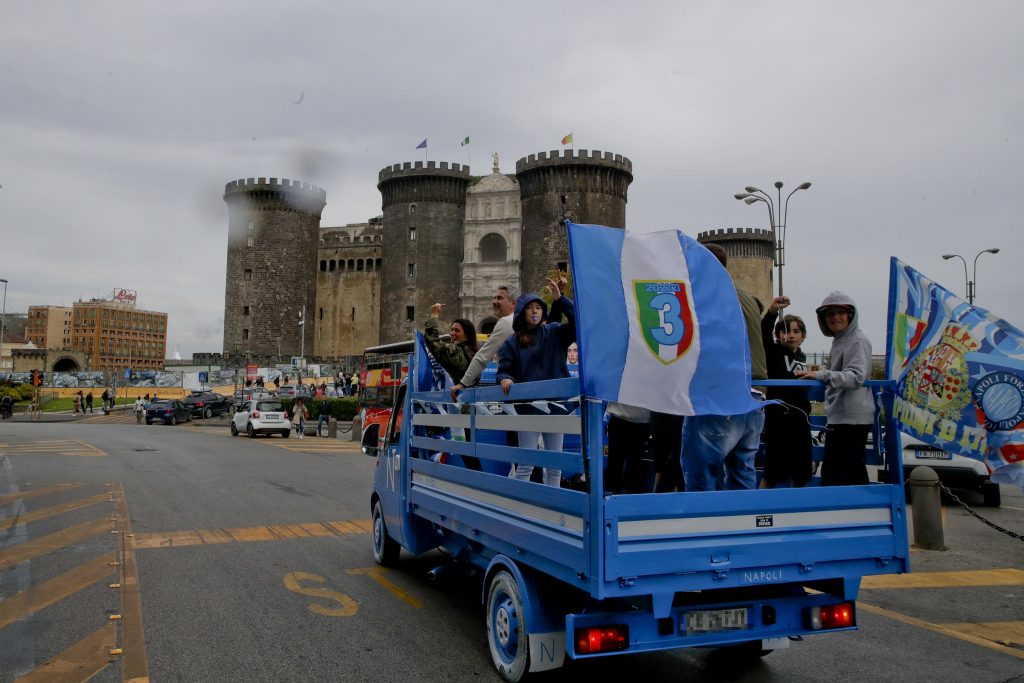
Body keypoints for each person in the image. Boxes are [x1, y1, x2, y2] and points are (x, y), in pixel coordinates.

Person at [681, 244, 767, 492]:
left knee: (701, 476)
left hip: (720, 396)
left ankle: (703, 528)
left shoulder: (707, 294)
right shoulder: (745, 297)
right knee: (742, 474)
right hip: (755, 395)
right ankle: (741, 527)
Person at [496, 279, 576, 487]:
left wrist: (560, 299)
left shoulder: (555, 332)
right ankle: (520, 508)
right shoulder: (511, 342)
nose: (535, 311)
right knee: (526, 464)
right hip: (528, 409)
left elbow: (580, 323)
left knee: (554, 465)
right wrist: (506, 378)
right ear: (522, 312)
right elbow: (505, 369)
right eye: (530, 307)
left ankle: (553, 508)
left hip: (555, 407)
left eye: (539, 307)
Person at [795, 292, 874, 486]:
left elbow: (855, 377)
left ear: (850, 316)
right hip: (840, 417)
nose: (835, 317)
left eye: (840, 312)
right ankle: (857, 512)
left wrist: (820, 374)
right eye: (830, 314)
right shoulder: (841, 340)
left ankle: (861, 513)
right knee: (838, 474)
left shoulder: (857, 341)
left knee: (844, 474)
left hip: (852, 419)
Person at [760, 296, 813, 488]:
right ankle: (761, 506)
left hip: (800, 419)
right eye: (785, 331)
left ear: (803, 336)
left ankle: (797, 511)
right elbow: (764, 331)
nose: (790, 335)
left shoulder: (802, 357)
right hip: (778, 417)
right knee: (772, 470)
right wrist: (773, 310)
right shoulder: (774, 352)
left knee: (801, 470)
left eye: (796, 331)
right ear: (778, 335)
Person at [451, 285, 519, 400]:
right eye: (494, 298)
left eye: (499, 298)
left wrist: (463, 383)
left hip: (512, 386)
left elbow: (483, 356)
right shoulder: (522, 321)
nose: (494, 301)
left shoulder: (506, 322)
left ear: (513, 303)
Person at [425, 303, 481, 382]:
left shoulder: (457, 351)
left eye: (457, 331)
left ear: (466, 335)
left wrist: (434, 315)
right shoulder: (471, 350)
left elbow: (433, 342)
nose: (452, 333)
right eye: (452, 329)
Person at [605, 403, 651, 494]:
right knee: (616, 464)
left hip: (640, 421)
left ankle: (627, 496)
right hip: (621, 417)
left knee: (633, 466)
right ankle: (613, 495)